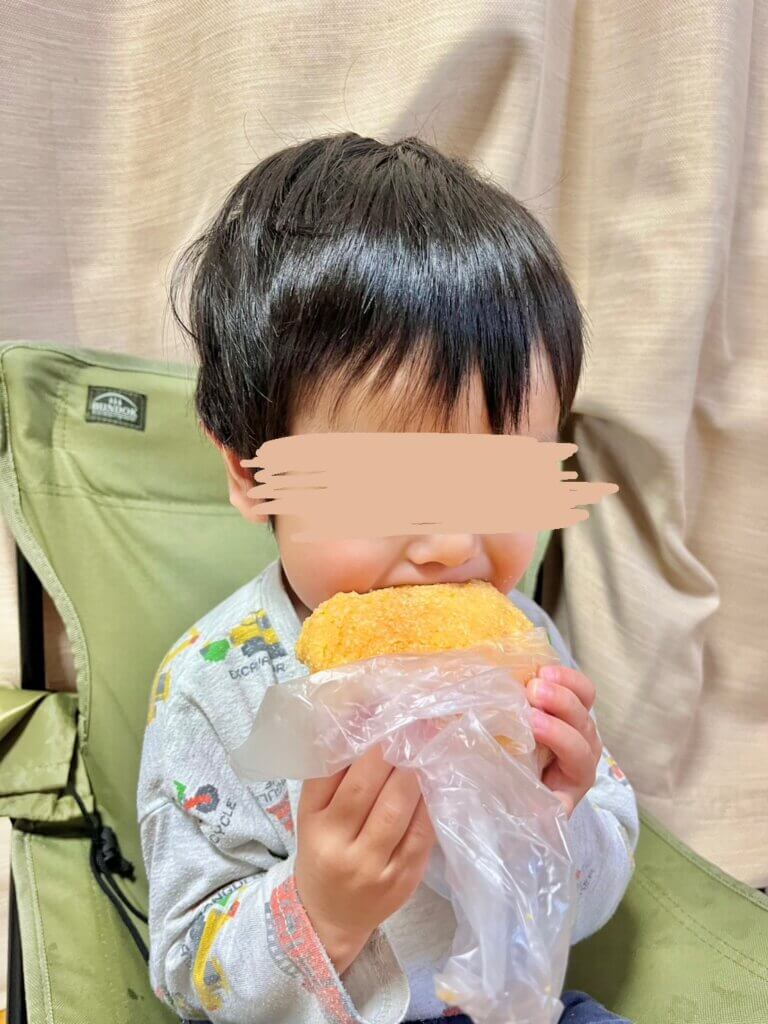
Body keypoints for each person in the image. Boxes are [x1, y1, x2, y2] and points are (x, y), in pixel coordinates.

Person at [138, 132, 639, 1024]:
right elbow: (186, 970)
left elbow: (585, 908)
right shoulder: (212, 691)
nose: (450, 543)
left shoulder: (521, 638)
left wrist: (559, 823)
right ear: (251, 473)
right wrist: (320, 909)